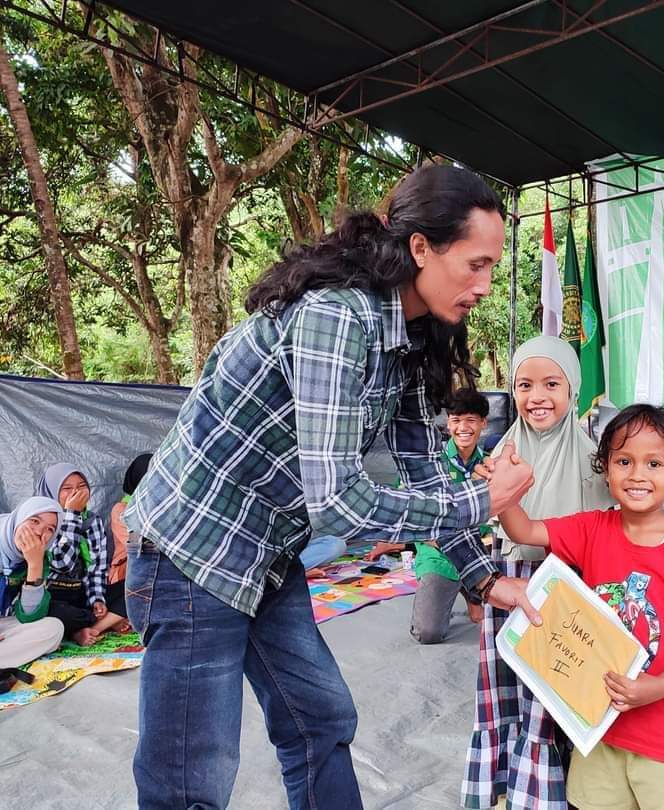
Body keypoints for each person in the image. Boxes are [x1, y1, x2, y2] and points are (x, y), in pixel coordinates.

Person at [122, 164, 538, 810]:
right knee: (188, 782)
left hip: (264, 555)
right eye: (475, 264)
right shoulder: (338, 318)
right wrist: (486, 500)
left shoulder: (412, 335)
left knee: (320, 721)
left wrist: (485, 578)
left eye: (492, 269)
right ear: (420, 248)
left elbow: (426, 465)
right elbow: (339, 499)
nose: (485, 286)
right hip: (190, 553)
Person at [497, 404, 664, 810]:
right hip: (597, 732)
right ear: (606, 468)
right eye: (624, 461)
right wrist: (503, 491)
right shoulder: (592, 529)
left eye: (654, 463)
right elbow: (523, 529)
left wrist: (655, 687)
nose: (637, 474)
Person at [462, 335, 612, 810]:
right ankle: (508, 793)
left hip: (564, 585)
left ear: (573, 389)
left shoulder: (594, 456)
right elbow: (476, 521)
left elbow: (608, 528)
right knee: (506, 688)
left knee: (551, 696)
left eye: (552, 383)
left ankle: (549, 795)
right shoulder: (501, 452)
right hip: (509, 580)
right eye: (524, 385)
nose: (537, 396)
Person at [365, 388, 492, 642]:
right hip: (439, 553)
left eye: (471, 420)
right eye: (456, 420)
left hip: (480, 552)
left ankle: (471, 591)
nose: (463, 427)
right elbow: (410, 514)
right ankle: (460, 587)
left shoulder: (491, 463)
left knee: (489, 617)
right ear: (447, 424)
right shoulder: (429, 465)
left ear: (483, 423)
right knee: (428, 633)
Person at [36, 463, 128, 645]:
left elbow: (98, 569)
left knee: (136, 588)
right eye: (67, 488)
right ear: (52, 491)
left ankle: (93, 627)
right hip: (52, 595)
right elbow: (62, 563)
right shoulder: (40, 520)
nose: (75, 493)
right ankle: (105, 621)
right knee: (59, 615)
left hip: (82, 594)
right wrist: (72, 515)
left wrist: (97, 600)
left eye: (81, 486)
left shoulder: (93, 521)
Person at [0, 497, 66, 691]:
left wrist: (34, 565)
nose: (39, 533)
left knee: (53, 629)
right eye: (34, 521)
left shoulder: (39, 557)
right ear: (19, 519)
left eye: (49, 530)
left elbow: (30, 617)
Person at [109, 453, 153, 588]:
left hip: (154, 572)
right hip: (127, 575)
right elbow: (135, 543)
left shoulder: (165, 506)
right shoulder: (121, 510)